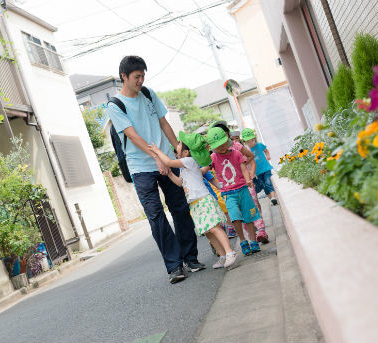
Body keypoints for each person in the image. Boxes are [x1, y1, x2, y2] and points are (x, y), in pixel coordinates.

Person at [107, 55, 204, 284]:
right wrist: (155, 157)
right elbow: (132, 135)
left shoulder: (149, 94)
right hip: (141, 168)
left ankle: (191, 258)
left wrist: (176, 148)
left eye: (143, 76)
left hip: (168, 160)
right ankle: (174, 266)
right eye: (136, 77)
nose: (141, 80)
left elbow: (163, 123)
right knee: (156, 216)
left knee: (180, 208)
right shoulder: (115, 106)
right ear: (124, 77)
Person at [150, 132, 238, 269]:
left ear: (186, 152)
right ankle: (222, 256)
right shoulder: (185, 167)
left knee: (214, 228)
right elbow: (180, 183)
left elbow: (168, 162)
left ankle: (230, 252)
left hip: (203, 200)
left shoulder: (188, 162)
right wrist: (170, 174)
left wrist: (156, 152)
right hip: (195, 204)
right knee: (208, 232)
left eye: (179, 144)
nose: (176, 145)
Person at [206, 127, 262, 256]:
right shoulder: (213, 157)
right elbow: (206, 171)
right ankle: (243, 241)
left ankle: (253, 241)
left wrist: (248, 179)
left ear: (227, 140)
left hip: (242, 189)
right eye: (217, 146)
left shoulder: (236, 153)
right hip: (228, 193)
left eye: (222, 144)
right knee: (235, 218)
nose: (220, 148)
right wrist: (216, 183)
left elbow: (243, 167)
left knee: (248, 216)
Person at [241, 128, 278, 205]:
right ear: (245, 142)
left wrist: (268, 156)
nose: (250, 143)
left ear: (254, 139)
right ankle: (272, 199)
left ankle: (273, 197)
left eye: (251, 140)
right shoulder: (247, 150)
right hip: (258, 172)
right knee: (264, 185)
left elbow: (266, 150)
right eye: (248, 142)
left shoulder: (259, 145)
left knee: (268, 182)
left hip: (266, 168)